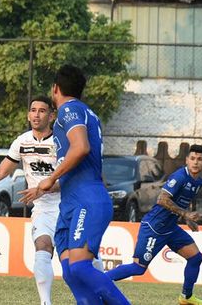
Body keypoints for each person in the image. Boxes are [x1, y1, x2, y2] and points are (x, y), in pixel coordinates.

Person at [37, 65, 130, 305]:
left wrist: (51, 177)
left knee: (79, 267)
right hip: (72, 201)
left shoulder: (69, 109)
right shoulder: (85, 111)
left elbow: (81, 147)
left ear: (55, 88)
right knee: (70, 271)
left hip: (86, 198)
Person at [0, 95, 60, 305]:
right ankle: (46, 303)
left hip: (69, 206)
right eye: (33, 110)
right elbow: (1, 171)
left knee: (79, 260)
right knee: (42, 247)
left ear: (52, 116)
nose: (36, 115)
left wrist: (43, 188)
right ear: (28, 115)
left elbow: (73, 179)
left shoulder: (61, 141)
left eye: (42, 111)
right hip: (43, 209)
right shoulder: (22, 142)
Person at [106, 145, 202, 305]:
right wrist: (185, 214)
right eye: (193, 158)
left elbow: (181, 201)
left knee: (196, 258)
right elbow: (162, 199)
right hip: (154, 227)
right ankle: (98, 283)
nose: (195, 162)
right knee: (138, 268)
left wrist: (188, 219)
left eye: (199, 159)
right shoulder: (180, 177)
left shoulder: (198, 182)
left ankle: (186, 297)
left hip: (170, 228)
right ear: (187, 160)